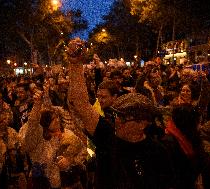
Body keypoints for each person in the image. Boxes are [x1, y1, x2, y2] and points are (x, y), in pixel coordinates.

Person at [67, 38, 174, 189]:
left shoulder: (158, 152)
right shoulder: (107, 134)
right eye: (117, 115)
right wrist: (76, 64)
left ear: (143, 123)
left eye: (124, 118)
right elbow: (80, 103)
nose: (117, 121)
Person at [22, 89, 87, 189]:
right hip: (44, 183)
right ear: (45, 123)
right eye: (53, 119)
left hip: (70, 183)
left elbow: (83, 151)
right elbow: (33, 125)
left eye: (57, 117)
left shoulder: (68, 134)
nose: (57, 120)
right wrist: (37, 105)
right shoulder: (38, 141)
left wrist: (70, 161)